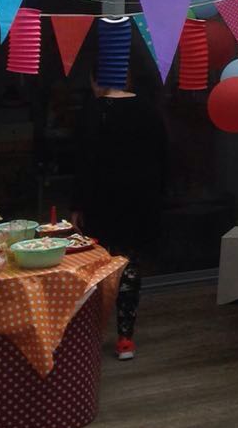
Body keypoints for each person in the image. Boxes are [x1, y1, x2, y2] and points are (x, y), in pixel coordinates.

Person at [72, 72, 168, 361]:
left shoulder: (93, 112)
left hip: (101, 202)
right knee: (129, 268)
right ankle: (125, 338)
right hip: (139, 201)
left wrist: (77, 205)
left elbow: (83, 163)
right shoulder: (149, 111)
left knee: (96, 267)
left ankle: (91, 336)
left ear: (96, 80)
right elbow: (163, 158)